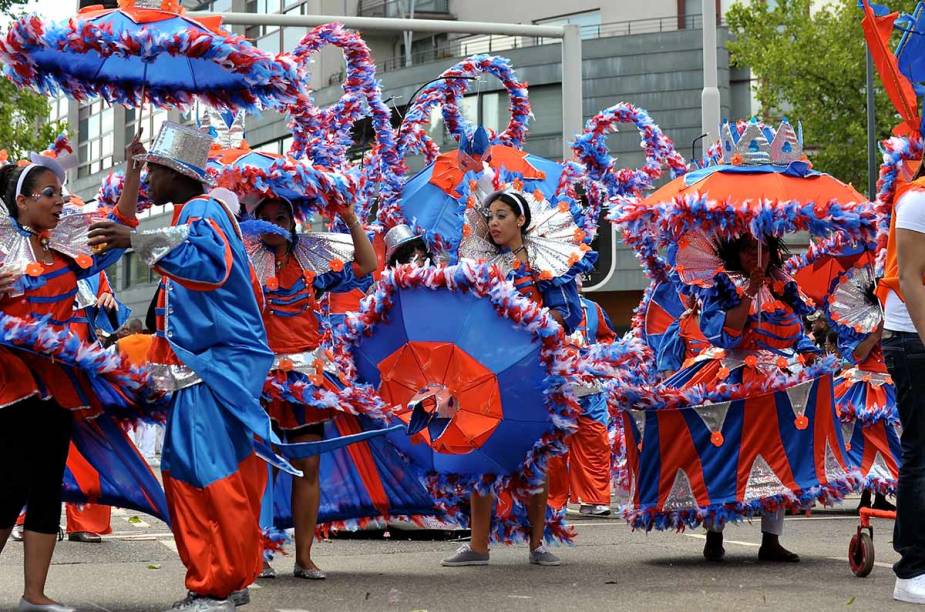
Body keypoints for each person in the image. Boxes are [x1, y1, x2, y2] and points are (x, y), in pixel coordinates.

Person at [88, 122, 281, 612]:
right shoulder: (207, 210)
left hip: (211, 368)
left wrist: (135, 238)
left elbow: (206, 264)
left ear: (177, 172)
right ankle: (230, 577)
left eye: (153, 169)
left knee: (196, 473)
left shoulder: (201, 210)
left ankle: (214, 584)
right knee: (224, 472)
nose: (149, 179)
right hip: (216, 367)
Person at [0, 149, 135, 612]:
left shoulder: (63, 249)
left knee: (46, 485)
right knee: (9, 484)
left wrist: (134, 172)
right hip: (11, 389)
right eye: (49, 194)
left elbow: (116, 230)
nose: (60, 202)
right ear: (22, 202)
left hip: (57, 388)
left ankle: (34, 594)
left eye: (60, 194)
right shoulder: (1, 252)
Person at [442, 189, 582, 568]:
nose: (494, 223)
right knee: (480, 450)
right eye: (490, 216)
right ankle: (478, 545)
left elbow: (568, 316)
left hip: (534, 372)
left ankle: (537, 545)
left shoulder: (547, 263)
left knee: (536, 456)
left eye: (502, 215)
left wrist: (532, 324)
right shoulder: (482, 265)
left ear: (521, 220)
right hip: (486, 371)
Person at [664, 233, 818, 563]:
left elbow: (793, 331)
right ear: (736, 252)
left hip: (773, 379)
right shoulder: (721, 283)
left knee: (778, 450)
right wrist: (748, 292)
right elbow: (727, 334)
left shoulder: (782, 283)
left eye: (760, 249)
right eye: (747, 249)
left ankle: (771, 540)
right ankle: (714, 533)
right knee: (724, 450)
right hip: (730, 377)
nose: (754, 256)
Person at [247, 193, 376, 580]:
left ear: (292, 220)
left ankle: (303, 557)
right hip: (260, 377)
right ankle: (259, 552)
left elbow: (368, 264)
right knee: (262, 466)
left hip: (304, 377)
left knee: (307, 464)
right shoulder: (246, 263)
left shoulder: (312, 262)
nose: (273, 223)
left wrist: (351, 216)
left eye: (280, 216)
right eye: (265, 217)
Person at [876, 171, 925, 604]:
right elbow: (909, 280)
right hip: (913, 340)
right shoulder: (917, 201)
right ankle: (911, 570)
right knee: (921, 452)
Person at [548, 296, 617, 516]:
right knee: (552, 448)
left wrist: (594, 355)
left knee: (595, 442)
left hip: (589, 391)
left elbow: (607, 338)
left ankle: (594, 498)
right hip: (552, 390)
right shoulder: (538, 304)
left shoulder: (593, 308)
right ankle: (553, 501)